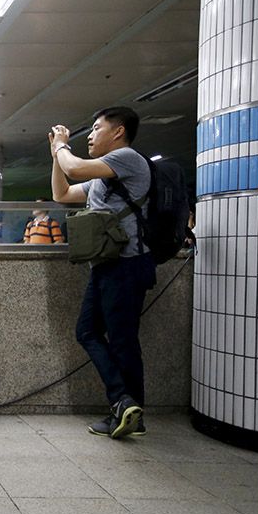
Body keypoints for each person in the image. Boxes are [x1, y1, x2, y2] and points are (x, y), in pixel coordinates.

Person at [49, 106, 155, 439]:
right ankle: (124, 403)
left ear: (119, 131)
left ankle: (127, 409)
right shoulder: (102, 177)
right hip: (105, 266)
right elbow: (62, 193)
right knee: (87, 332)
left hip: (127, 265)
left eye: (96, 128)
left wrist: (62, 148)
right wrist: (56, 155)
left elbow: (75, 167)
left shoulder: (128, 158)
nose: (91, 135)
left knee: (123, 341)